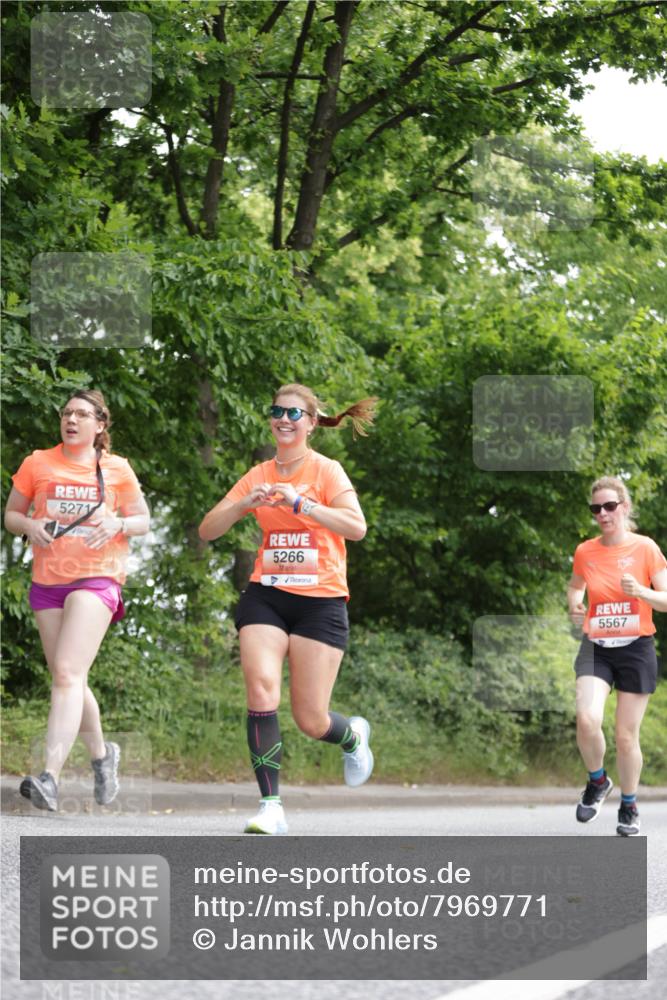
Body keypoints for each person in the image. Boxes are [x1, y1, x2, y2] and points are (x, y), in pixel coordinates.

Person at [199, 383, 377, 835]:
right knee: (261, 690)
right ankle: (271, 806)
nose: (284, 418)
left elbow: (356, 528)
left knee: (310, 719)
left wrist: (305, 504)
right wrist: (243, 504)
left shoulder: (327, 471)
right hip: (267, 595)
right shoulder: (257, 474)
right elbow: (207, 530)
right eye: (277, 410)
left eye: (294, 413)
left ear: (312, 423)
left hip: (321, 603)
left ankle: (352, 736)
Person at [4, 390, 150, 812]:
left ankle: (50, 776)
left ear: (100, 425)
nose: (71, 419)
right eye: (67, 412)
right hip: (48, 581)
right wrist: (30, 525)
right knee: (71, 677)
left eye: (82, 414)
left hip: (97, 578)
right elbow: (11, 515)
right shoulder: (38, 462)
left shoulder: (116, 469)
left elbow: (142, 520)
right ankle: (104, 757)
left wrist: (119, 521)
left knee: (67, 672)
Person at [567, 476, 667, 836]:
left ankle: (629, 805)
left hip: (636, 648)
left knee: (626, 737)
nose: (603, 514)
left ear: (624, 507)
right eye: (597, 508)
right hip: (597, 647)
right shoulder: (585, 551)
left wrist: (641, 590)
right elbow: (576, 586)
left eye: (610, 506)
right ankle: (597, 782)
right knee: (586, 718)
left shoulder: (645, 548)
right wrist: (575, 605)